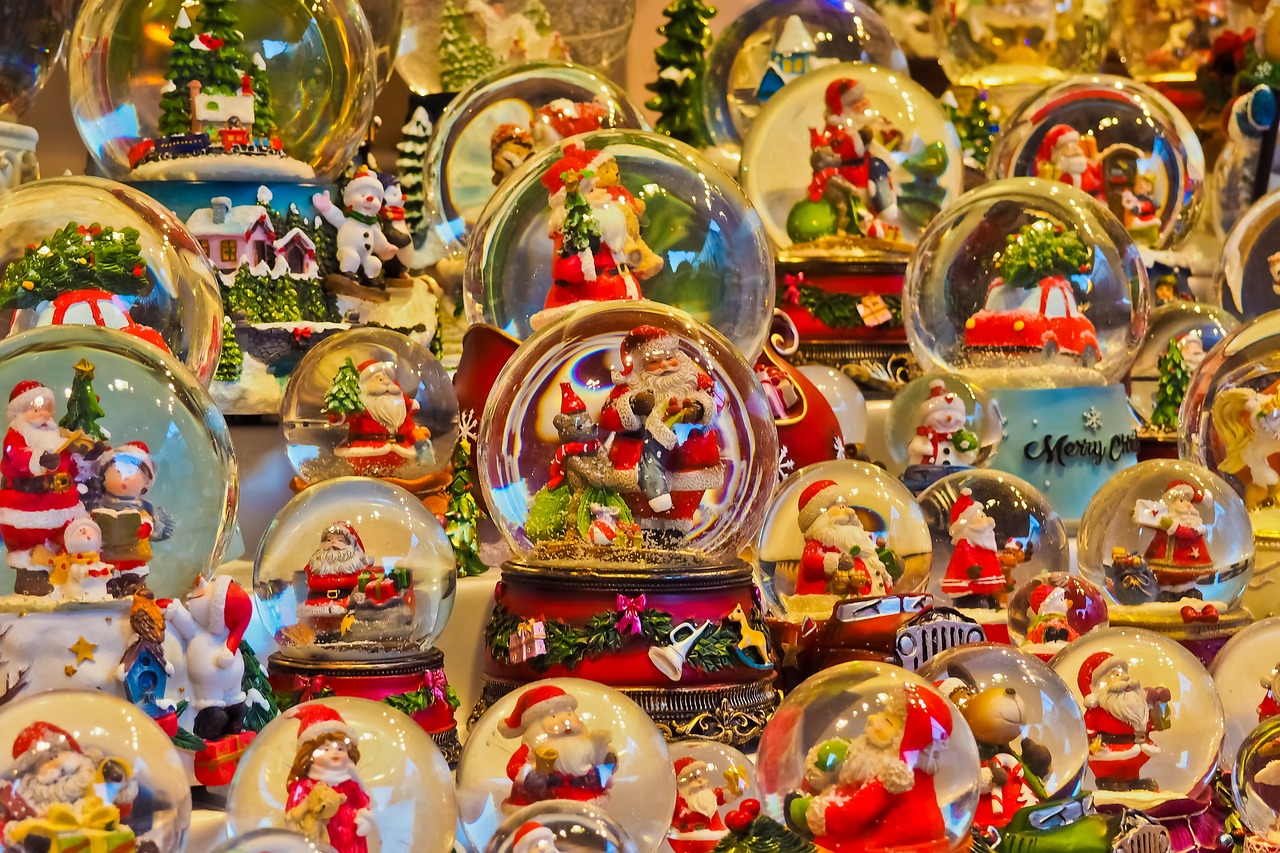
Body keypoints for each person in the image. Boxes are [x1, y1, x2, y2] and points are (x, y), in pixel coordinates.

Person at [795, 684, 952, 851]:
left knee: (826, 843)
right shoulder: (895, 769)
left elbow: (855, 813)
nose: (872, 718)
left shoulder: (893, 778)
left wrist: (821, 814)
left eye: (888, 721)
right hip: (918, 831)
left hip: (888, 838)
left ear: (902, 740)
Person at [599, 327, 723, 535]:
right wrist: (633, 406)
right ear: (640, 367)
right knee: (642, 513)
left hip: (690, 462)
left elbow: (717, 399)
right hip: (634, 463)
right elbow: (608, 416)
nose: (664, 366)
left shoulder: (695, 381)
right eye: (654, 362)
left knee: (681, 509)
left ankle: (678, 531)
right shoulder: (630, 387)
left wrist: (699, 409)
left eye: (669, 358)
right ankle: (643, 530)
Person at [0, 379, 90, 595]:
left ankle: (63, 578)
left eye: (48, 410)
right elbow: (18, 456)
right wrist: (40, 460)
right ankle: (30, 579)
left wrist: (81, 457)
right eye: (38, 409)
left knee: (59, 544)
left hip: (62, 506)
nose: (46, 415)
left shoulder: (55, 435)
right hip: (27, 506)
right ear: (20, 412)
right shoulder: (16, 434)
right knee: (29, 548)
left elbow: (67, 464)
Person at [499, 685, 617, 808]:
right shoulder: (531, 748)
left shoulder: (585, 743)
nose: (566, 723)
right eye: (554, 717)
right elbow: (513, 767)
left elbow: (600, 763)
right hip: (542, 799)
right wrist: (531, 775)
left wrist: (605, 757)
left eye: (569, 715)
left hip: (583, 796)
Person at [284, 705, 374, 853]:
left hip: (351, 840)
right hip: (320, 839)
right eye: (326, 749)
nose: (335, 753)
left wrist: (365, 817)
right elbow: (293, 812)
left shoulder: (349, 784)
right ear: (308, 755)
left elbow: (362, 803)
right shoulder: (304, 784)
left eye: (340, 748)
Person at [1079, 652, 1169, 791]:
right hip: (1109, 750)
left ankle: (1134, 781)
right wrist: (1091, 743)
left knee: (1132, 769)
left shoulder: (1139, 705)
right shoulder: (1099, 710)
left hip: (1137, 748)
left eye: (1123, 673)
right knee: (1109, 768)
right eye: (1115, 675)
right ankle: (1106, 781)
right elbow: (1087, 729)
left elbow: (1154, 724)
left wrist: (1161, 705)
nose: (1125, 678)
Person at [795, 479, 890, 597]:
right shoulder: (820, 542)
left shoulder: (860, 544)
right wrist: (838, 562)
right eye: (840, 507)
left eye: (846, 506)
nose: (850, 512)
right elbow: (810, 560)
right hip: (823, 604)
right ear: (822, 518)